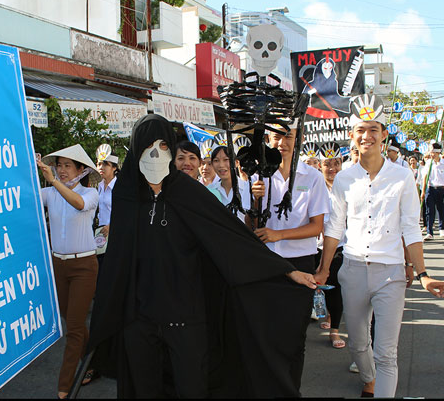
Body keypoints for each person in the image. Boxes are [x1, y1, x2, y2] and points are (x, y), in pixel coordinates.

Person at [86, 114, 317, 398]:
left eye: (163, 145)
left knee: (191, 388)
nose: (156, 154)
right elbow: (119, 258)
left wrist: (284, 270)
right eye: (148, 147)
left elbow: (230, 236)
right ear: (136, 151)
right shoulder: (127, 193)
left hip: (185, 317)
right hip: (139, 319)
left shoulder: (187, 192)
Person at [316, 94, 444, 398]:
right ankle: (369, 379)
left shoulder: (403, 176)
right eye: (360, 130)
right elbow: (334, 228)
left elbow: (410, 227)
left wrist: (422, 273)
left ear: (384, 136)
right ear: (352, 136)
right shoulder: (343, 180)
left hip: (390, 274)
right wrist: (324, 268)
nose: (367, 136)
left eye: (373, 130)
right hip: (352, 270)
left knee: (387, 353)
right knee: (357, 344)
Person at [250, 124, 330, 386]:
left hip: (301, 261)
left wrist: (279, 234)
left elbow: (317, 226)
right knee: (266, 332)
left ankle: (290, 387)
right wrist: (253, 202)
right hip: (266, 264)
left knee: (295, 334)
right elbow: (251, 226)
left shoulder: (313, 177)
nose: (281, 143)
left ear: (298, 139)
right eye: (276, 137)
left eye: (288, 137)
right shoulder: (258, 176)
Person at [37, 145, 100, 399]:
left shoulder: (91, 192)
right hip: (58, 266)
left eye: (67, 166)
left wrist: (53, 182)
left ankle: (64, 389)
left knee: (73, 327)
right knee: (71, 320)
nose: (61, 170)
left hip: (84, 266)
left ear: (81, 170)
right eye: (58, 165)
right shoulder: (48, 193)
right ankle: (94, 359)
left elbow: (78, 203)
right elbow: (22, 194)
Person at [318, 142, 346, 350]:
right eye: (327, 164)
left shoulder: (347, 186)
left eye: (335, 163)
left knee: (336, 288)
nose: (331, 168)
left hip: (340, 247)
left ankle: (334, 329)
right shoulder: (314, 185)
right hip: (314, 246)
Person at [209, 145, 250, 222]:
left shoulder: (247, 189)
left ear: (237, 162)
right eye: (216, 160)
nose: (221, 165)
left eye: (226, 159)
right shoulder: (209, 190)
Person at [422, 143, 444, 240]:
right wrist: (423, 191)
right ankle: (429, 232)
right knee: (429, 211)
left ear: (437, 152)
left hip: (441, 189)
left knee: (441, 209)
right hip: (431, 189)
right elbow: (425, 178)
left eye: (433, 152)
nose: (431, 154)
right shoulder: (428, 163)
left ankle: (442, 228)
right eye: (430, 152)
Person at [94, 144, 118, 265]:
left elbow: (125, 212)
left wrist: (111, 225)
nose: (101, 167)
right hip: (100, 234)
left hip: (115, 234)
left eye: (105, 164)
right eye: (98, 164)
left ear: (114, 167)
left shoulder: (120, 187)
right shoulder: (98, 186)